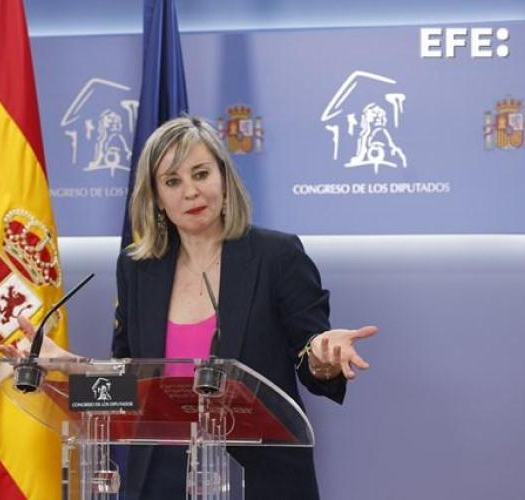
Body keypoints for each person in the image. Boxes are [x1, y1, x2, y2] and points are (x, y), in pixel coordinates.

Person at [112, 116, 377, 499]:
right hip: (160, 480)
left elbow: (311, 356)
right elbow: (128, 374)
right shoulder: (138, 268)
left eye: (201, 174)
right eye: (172, 182)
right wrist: (68, 368)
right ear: (156, 198)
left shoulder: (277, 256)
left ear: (224, 178)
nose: (191, 191)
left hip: (259, 477)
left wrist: (323, 357)